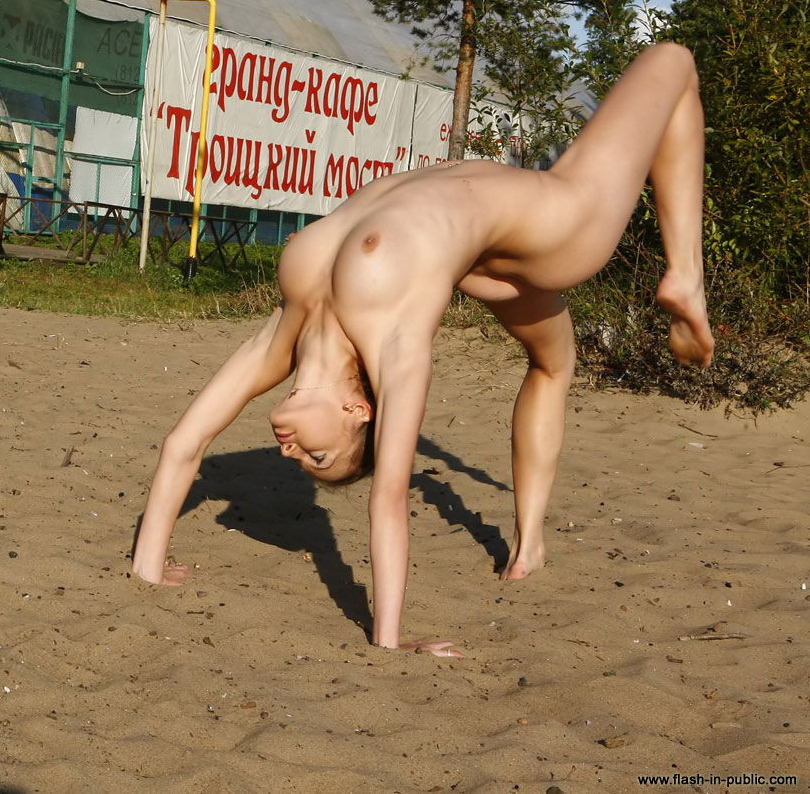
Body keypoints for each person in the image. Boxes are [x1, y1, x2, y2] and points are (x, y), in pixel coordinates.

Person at [131, 43, 715, 657]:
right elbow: (389, 498)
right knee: (672, 64)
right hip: (543, 228)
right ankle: (685, 279)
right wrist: (391, 642)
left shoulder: (291, 329)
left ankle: (531, 544)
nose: (289, 452)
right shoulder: (391, 342)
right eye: (318, 456)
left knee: (555, 360)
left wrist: (148, 564)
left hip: (486, 235)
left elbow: (184, 443)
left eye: (304, 459)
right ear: (359, 410)